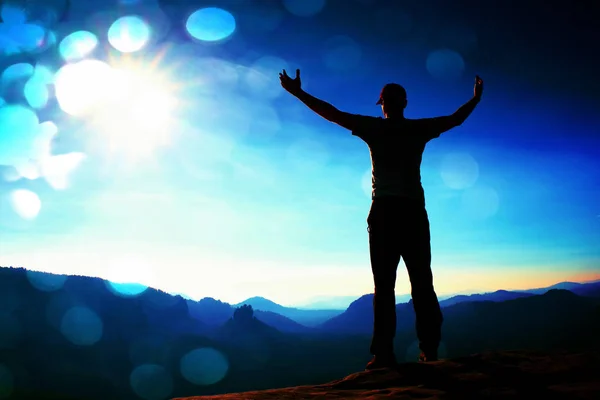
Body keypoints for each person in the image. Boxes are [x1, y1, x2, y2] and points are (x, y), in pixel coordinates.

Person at [279, 69, 484, 370]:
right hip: (413, 212)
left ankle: (384, 355)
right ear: (404, 103)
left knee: (385, 287)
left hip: (385, 212)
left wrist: (298, 93)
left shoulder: (374, 128)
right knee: (422, 284)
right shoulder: (418, 130)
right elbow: (456, 118)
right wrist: (476, 98)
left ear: (384, 104)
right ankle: (429, 349)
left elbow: (333, 114)